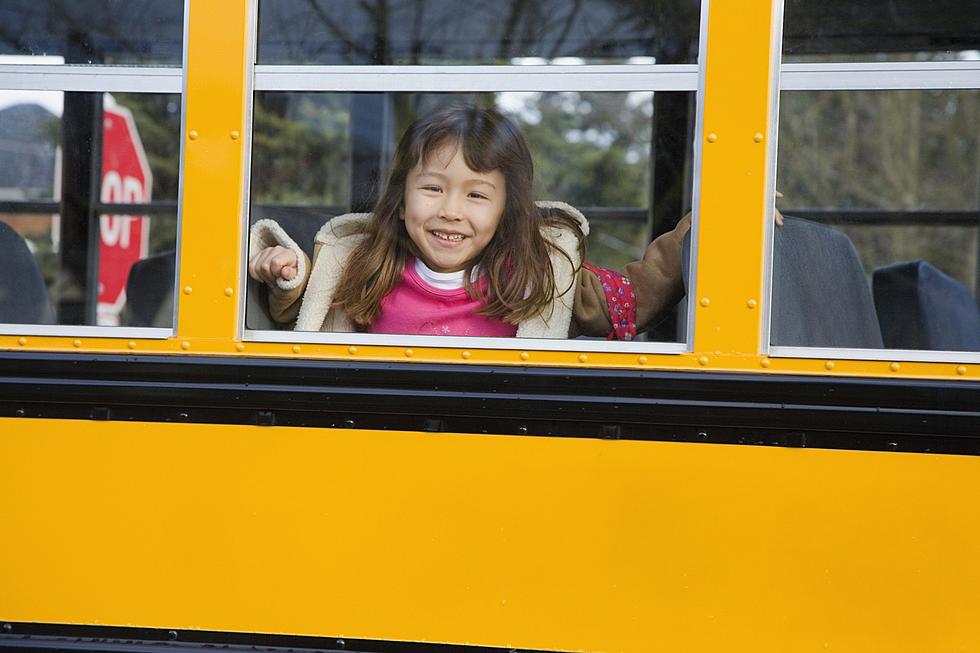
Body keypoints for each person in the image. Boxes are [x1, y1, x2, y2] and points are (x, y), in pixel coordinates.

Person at [249, 103, 689, 340]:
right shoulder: (365, 266)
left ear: (506, 213)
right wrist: (286, 273)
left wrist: (708, 223)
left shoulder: (540, 272)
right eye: (432, 189)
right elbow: (308, 308)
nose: (451, 211)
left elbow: (629, 302)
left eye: (477, 195)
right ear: (401, 201)